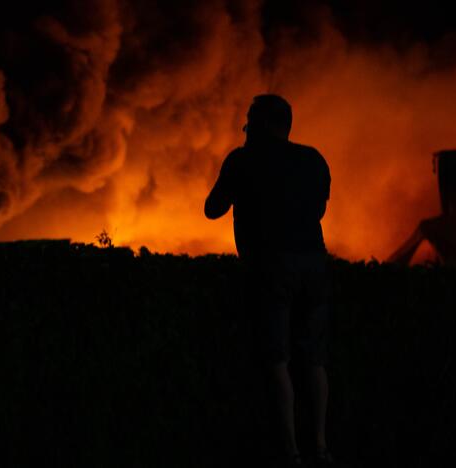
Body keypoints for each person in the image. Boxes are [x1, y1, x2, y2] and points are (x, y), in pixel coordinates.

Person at [204, 94, 333, 467]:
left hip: (271, 266)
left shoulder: (243, 160)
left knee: (276, 359)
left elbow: (212, 209)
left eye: (247, 123)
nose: (244, 131)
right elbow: (320, 208)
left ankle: (289, 452)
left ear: (259, 125)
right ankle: (321, 447)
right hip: (315, 263)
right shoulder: (313, 160)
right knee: (314, 361)